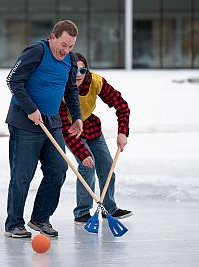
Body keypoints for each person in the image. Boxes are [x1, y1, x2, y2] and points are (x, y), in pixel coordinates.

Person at [4, 20, 83, 238]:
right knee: (22, 175)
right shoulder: (36, 51)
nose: (66, 50)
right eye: (63, 44)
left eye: (71, 46)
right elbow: (13, 80)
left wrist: (76, 117)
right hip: (25, 122)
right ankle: (13, 224)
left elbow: (70, 90)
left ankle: (40, 218)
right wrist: (30, 108)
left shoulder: (71, 59)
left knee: (58, 169)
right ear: (53, 37)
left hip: (52, 122)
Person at [59, 52, 132, 224]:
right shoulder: (60, 87)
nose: (78, 74)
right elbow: (63, 127)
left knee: (107, 167)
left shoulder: (96, 82)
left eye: (82, 71)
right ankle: (82, 213)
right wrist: (82, 154)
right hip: (71, 130)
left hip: (92, 128)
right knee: (87, 166)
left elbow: (122, 106)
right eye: (74, 70)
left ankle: (109, 209)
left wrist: (122, 132)